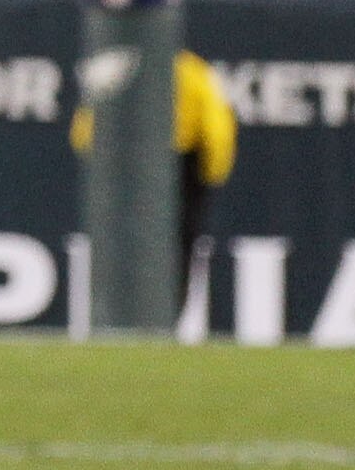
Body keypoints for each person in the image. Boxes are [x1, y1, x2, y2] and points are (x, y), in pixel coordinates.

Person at [71, 49, 238, 320]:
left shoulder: (120, 64)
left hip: (126, 164)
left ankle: (120, 313)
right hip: (181, 166)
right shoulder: (191, 69)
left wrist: (94, 158)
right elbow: (215, 127)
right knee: (178, 246)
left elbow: (89, 122)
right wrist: (211, 172)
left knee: (123, 241)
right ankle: (167, 317)